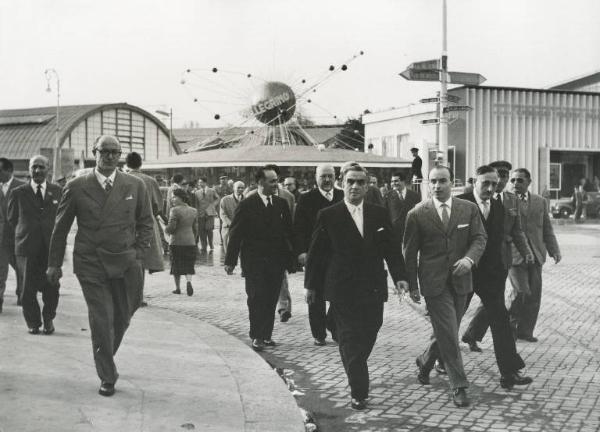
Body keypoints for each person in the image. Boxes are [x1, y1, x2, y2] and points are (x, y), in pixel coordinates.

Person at [47, 135, 153, 397]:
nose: (108, 156)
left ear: (121, 156)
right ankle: (107, 374)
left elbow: (146, 222)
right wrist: (53, 264)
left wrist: (138, 253)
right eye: (103, 151)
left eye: (114, 152)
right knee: (102, 319)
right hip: (91, 262)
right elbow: (60, 229)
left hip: (125, 261)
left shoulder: (135, 185)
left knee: (123, 317)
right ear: (94, 153)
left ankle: (104, 353)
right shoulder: (76, 186)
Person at [305, 162, 408, 411]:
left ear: (367, 185)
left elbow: (391, 249)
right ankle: (359, 392)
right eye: (350, 181)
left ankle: (336, 329)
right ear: (342, 182)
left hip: (373, 287)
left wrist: (401, 277)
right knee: (351, 341)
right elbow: (316, 254)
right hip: (342, 289)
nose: (355, 186)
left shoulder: (379, 213)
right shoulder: (329, 215)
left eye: (361, 182)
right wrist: (311, 286)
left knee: (370, 331)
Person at [403, 165, 486, 407]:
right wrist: (413, 286)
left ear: (452, 182)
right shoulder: (417, 213)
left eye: (442, 181)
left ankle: (425, 361)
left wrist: (469, 259)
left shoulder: (468, 209)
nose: (437, 186)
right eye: (433, 181)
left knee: (447, 331)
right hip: (434, 284)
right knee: (450, 335)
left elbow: (480, 238)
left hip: (461, 282)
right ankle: (458, 385)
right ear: (428, 184)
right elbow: (409, 253)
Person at [457, 165, 534, 389]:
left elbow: (509, 234)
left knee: (500, 322)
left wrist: (525, 252)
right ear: (474, 181)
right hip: (465, 272)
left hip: (492, 275)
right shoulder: (460, 202)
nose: (491, 187)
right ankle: (430, 360)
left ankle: (509, 372)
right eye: (486, 183)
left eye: (495, 183)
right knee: (451, 320)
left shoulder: (500, 206)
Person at [224, 166, 295, 352]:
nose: (276, 184)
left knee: (271, 299)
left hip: (275, 262)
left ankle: (266, 335)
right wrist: (230, 261)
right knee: (256, 299)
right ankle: (256, 336)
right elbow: (236, 234)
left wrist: (293, 258)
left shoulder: (281, 204)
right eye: (272, 181)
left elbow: (289, 233)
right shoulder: (247, 204)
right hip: (254, 263)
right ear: (260, 182)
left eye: (276, 181)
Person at [7, 155, 62, 333]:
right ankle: (33, 323)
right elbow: (12, 219)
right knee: (27, 291)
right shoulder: (18, 193)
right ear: (29, 170)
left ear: (48, 169)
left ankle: (48, 319)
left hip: (50, 250)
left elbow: (62, 219)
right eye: (34, 167)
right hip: (26, 249)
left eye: (41, 167)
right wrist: (26, 233)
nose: (37, 171)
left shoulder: (58, 191)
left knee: (52, 287)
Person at [508, 168, 561, 342]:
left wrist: (554, 250)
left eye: (520, 180)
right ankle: (510, 330)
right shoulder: (505, 201)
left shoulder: (539, 201)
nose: (516, 183)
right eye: (513, 180)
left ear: (529, 182)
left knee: (534, 295)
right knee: (520, 292)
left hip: (536, 254)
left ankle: (526, 331)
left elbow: (546, 228)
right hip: (515, 256)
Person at [294, 164, 343, 346]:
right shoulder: (307, 199)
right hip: (315, 256)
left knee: (339, 294)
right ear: (316, 178)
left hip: (338, 256)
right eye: (323, 176)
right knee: (316, 295)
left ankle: (334, 327)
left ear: (335, 177)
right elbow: (298, 227)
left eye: (330, 176)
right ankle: (319, 333)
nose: (327, 180)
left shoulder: (341, 196)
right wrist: (301, 252)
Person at [124, 152, 165, 306]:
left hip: (124, 223)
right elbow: (158, 206)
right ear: (140, 164)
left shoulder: (120, 179)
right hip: (145, 223)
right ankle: (138, 296)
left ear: (126, 164)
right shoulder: (150, 181)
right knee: (140, 260)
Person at [0, 157, 25, 311]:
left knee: (21, 270)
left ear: (9, 171)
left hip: (18, 237)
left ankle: (23, 296)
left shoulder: (22, 187)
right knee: (0, 271)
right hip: (1, 239)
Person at [165, 188, 198, 296]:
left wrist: (165, 229)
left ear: (180, 198)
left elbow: (171, 228)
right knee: (189, 264)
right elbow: (195, 229)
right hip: (190, 241)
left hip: (176, 241)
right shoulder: (193, 210)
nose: (172, 199)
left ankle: (177, 288)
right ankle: (188, 282)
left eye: (174, 197)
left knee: (176, 265)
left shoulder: (174, 210)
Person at [383, 172, 421, 244]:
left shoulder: (415, 195)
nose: (394, 183)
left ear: (403, 181)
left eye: (396, 181)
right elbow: (384, 214)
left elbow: (419, 214)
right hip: (394, 233)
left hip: (410, 232)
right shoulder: (388, 195)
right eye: (392, 181)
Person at [194, 177, 219, 251]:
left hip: (210, 213)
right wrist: (196, 212)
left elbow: (217, 198)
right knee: (201, 231)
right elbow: (196, 204)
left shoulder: (212, 190)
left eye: (201, 182)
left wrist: (212, 206)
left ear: (205, 183)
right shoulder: (197, 193)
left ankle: (211, 245)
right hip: (200, 213)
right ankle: (203, 246)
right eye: (199, 183)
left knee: (209, 229)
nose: (199, 184)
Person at [219, 180, 245, 250]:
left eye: (242, 188)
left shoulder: (247, 200)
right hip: (228, 229)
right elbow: (223, 215)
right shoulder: (225, 200)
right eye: (238, 187)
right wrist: (232, 225)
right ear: (233, 188)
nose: (240, 189)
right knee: (229, 254)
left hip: (242, 230)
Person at [214, 174, 233, 245]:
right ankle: (222, 240)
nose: (223, 180)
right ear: (220, 180)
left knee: (230, 222)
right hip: (220, 207)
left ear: (227, 180)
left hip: (229, 207)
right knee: (222, 223)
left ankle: (230, 238)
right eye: (222, 179)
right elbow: (215, 198)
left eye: (225, 179)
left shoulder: (230, 188)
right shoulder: (216, 188)